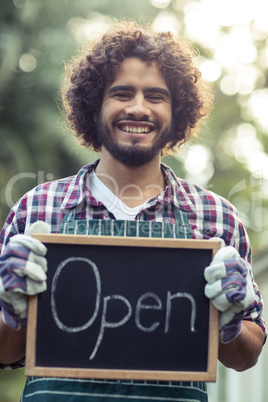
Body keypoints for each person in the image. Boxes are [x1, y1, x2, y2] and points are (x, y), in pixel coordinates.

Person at [0, 21, 266, 402]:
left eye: (156, 96)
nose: (138, 108)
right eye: (122, 93)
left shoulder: (217, 219)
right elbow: (5, 350)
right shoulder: (35, 210)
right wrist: (11, 311)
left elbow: (247, 355)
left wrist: (231, 324)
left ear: (176, 114)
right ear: (94, 108)